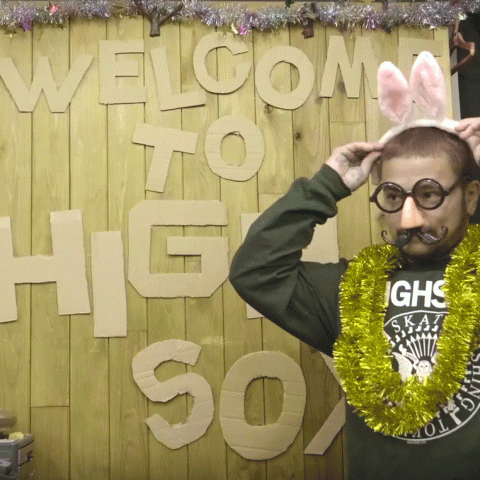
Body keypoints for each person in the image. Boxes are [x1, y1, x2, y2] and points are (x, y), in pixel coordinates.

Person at [229, 116, 480, 480]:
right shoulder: (351, 289)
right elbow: (256, 271)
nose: (408, 219)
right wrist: (326, 186)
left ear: (470, 197)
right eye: (393, 196)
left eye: (429, 195)